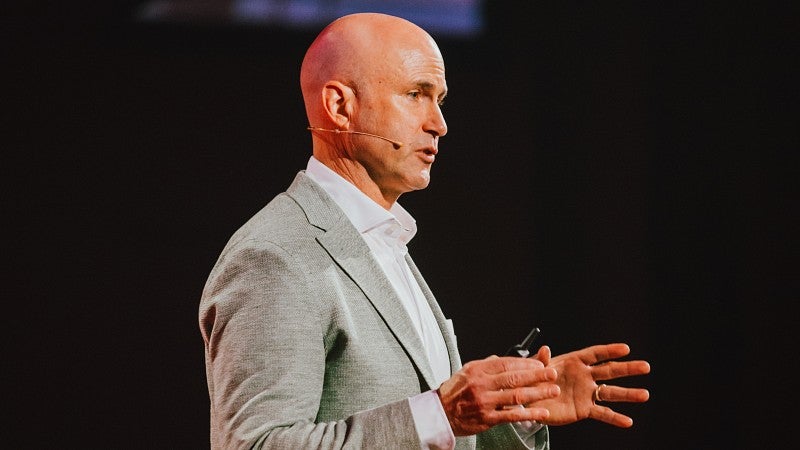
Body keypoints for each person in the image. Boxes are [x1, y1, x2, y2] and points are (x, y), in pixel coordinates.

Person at [199, 12, 650, 450]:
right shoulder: (276, 256)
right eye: (416, 94)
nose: (439, 123)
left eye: (440, 100)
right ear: (340, 106)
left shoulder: (384, 241)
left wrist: (518, 404)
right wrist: (441, 413)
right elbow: (257, 444)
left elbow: (426, 430)